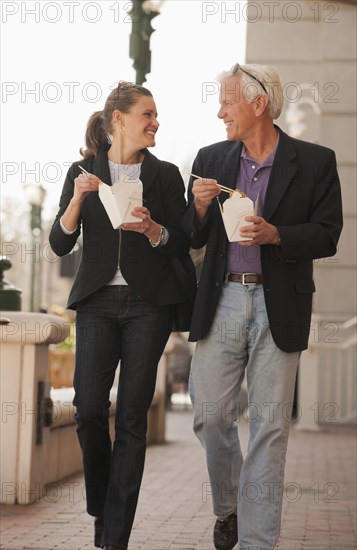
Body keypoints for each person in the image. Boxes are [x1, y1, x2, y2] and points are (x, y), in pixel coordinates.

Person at [182, 63, 343, 550]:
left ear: (257, 104)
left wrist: (278, 235)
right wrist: (202, 207)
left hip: (281, 305)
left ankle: (256, 542)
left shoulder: (316, 161)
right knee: (209, 414)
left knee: (269, 425)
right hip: (224, 297)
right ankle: (228, 507)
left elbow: (328, 234)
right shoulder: (211, 157)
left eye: (227, 102)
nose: (219, 112)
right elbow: (191, 235)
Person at [49, 81, 191, 550]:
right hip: (96, 304)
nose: (155, 122)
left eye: (156, 115)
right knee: (88, 409)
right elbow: (59, 243)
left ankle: (115, 536)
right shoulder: (83, 169)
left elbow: (183, 239)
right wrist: (77, 198)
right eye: (146, 114)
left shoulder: (166, 175)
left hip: (148, 306)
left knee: (131, 416)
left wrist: (153, 229)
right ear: (119, 120)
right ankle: (103, 504)